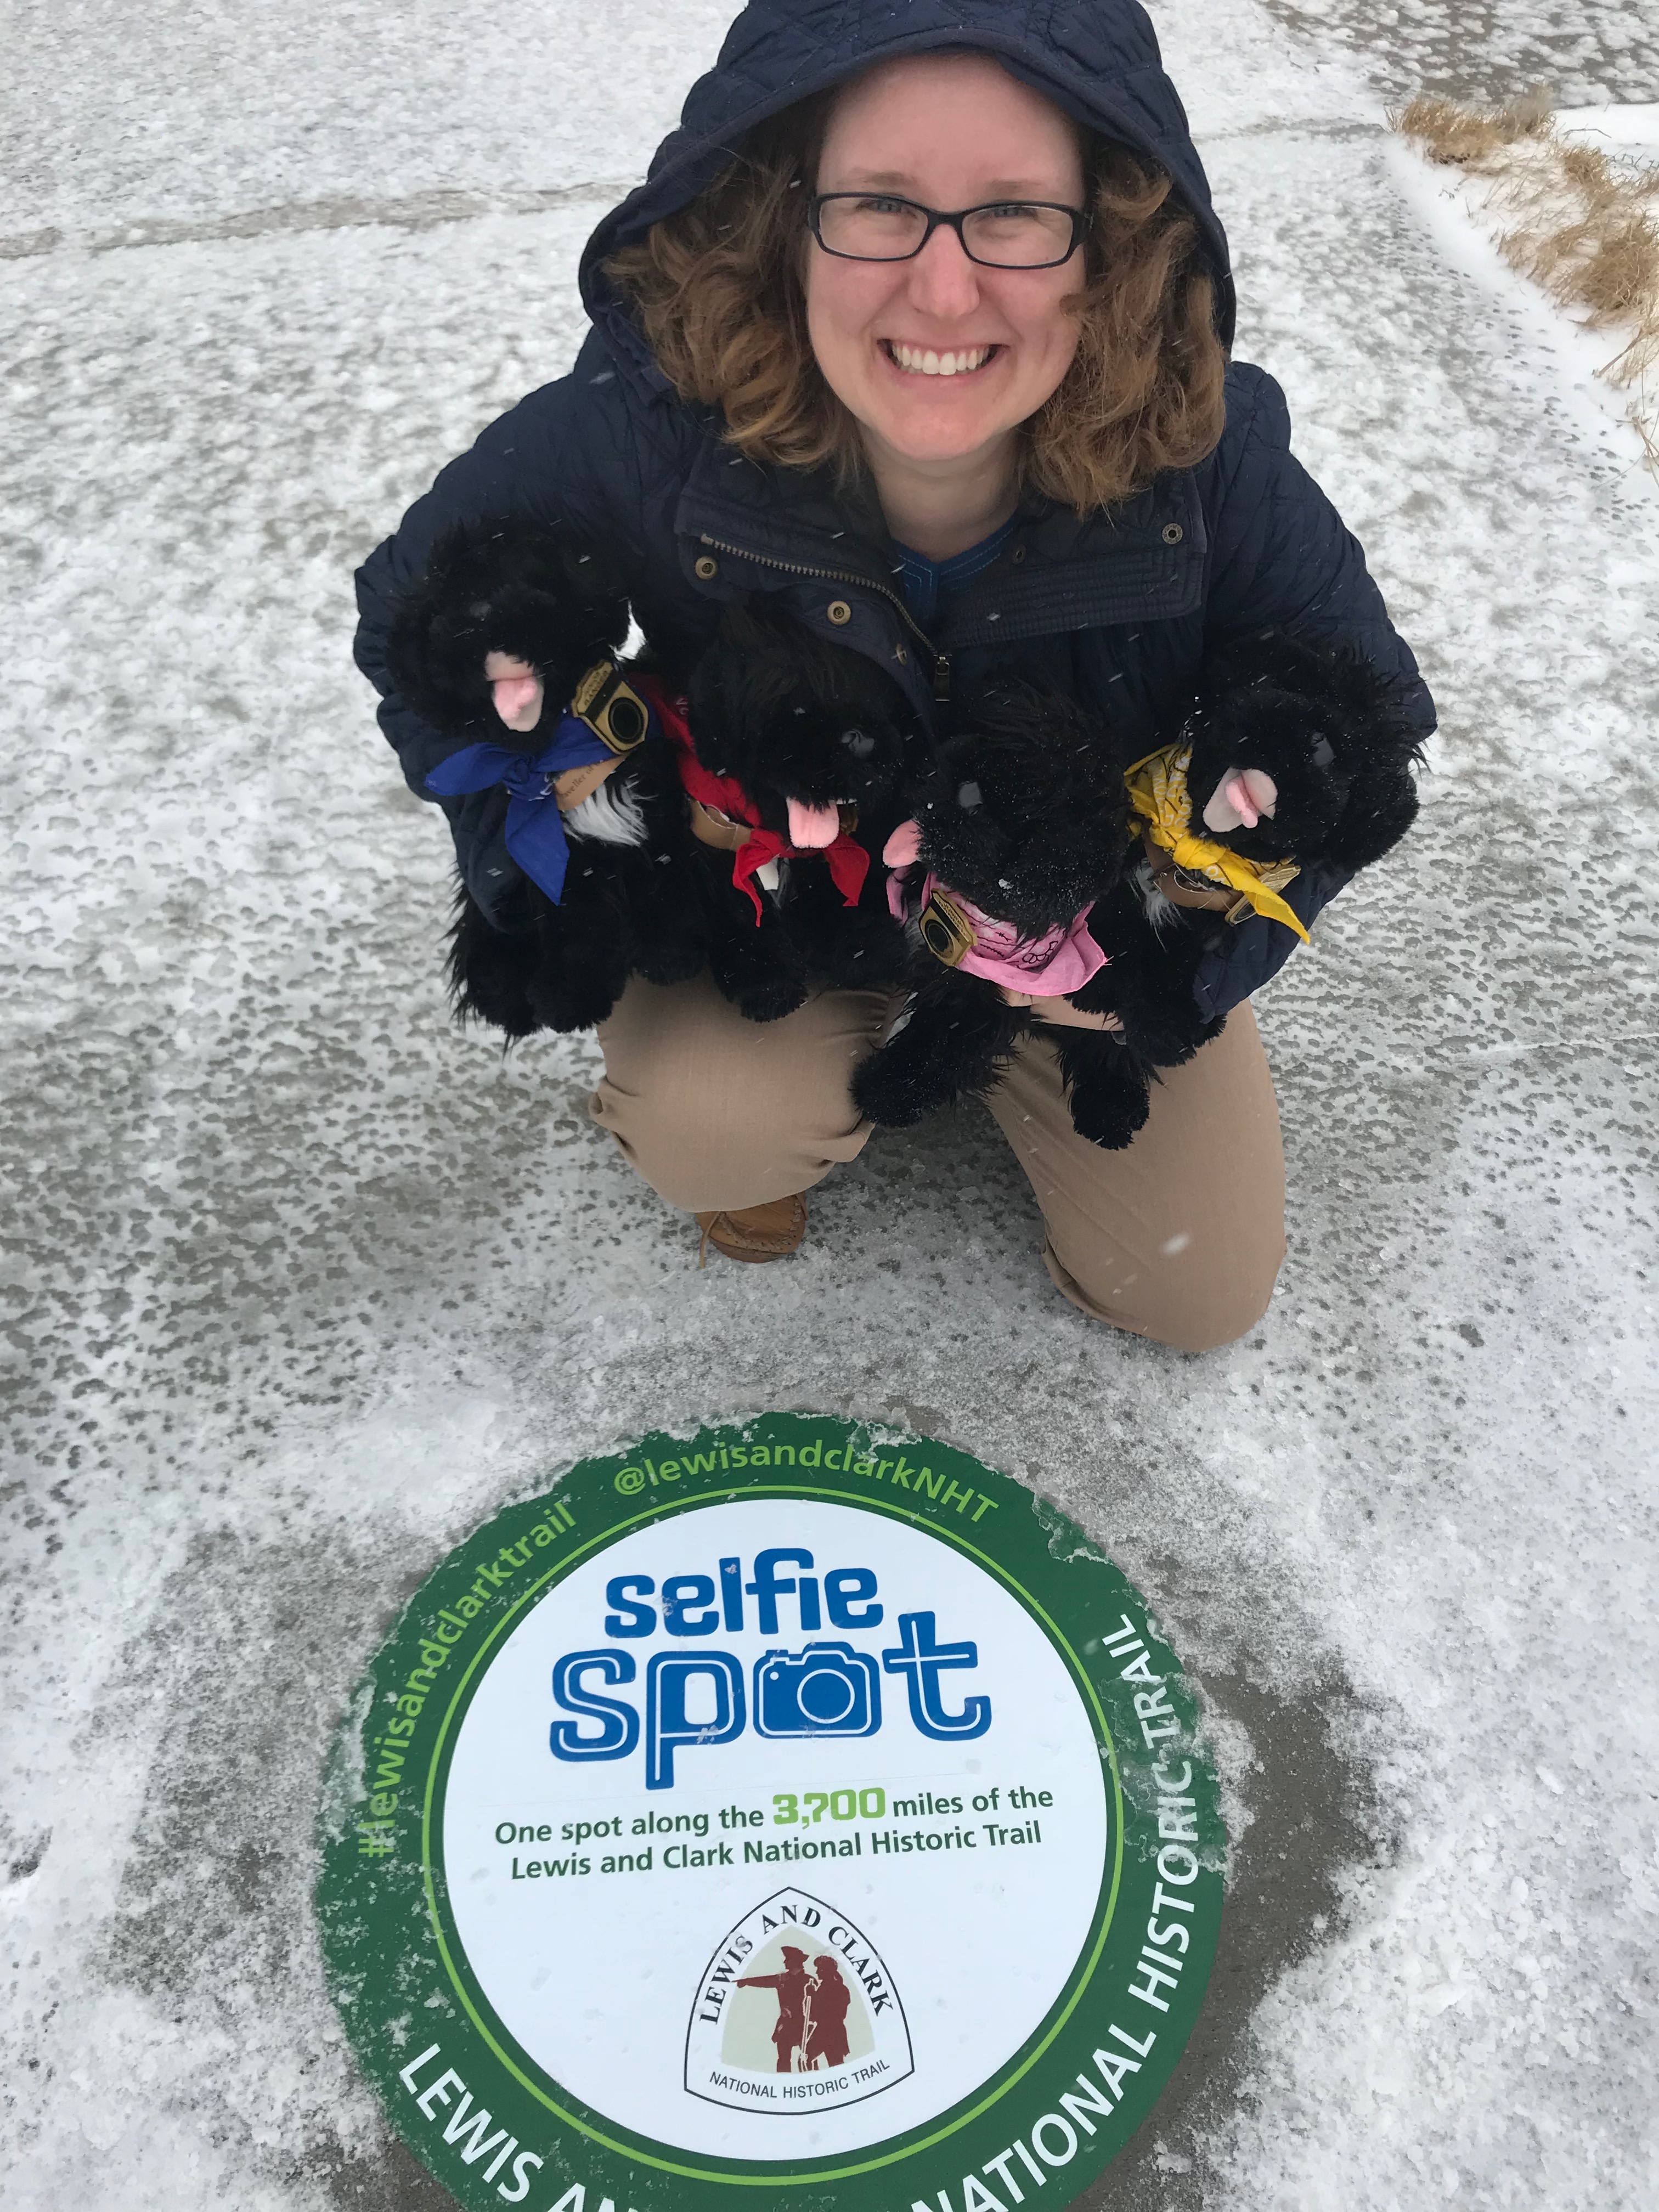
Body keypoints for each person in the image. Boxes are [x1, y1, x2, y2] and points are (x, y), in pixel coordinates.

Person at [353, 0, 1435, 1352]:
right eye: (879, 205)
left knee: (1196, 1292)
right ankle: (785, 1100)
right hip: (778, 916)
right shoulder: (650, 424)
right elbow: (415, 610)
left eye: (1016, 214)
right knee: (709, 1134)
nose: (941, 289)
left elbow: (1375, 715)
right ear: (782, 215)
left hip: (1069, 939)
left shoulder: (1202, 458)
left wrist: (1192, 961)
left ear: (1108, 243)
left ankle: (1007, 1063)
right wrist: (554, 844)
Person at [736, 1944, 811, 2072]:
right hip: (786, 2025)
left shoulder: (809, 1981)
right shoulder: (782, 1979)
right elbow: (764, 1981)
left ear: (794, 1962)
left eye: (787, 1960)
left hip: (804, 2025)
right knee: (783, 2059)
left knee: (807, 2059)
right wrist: (746, 1981)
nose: (784, 1962)